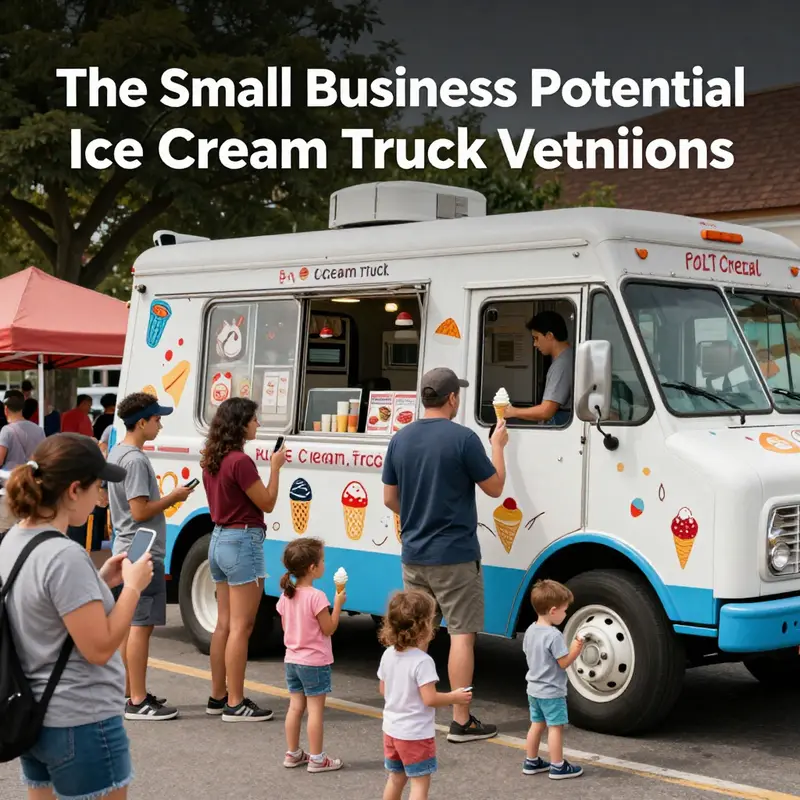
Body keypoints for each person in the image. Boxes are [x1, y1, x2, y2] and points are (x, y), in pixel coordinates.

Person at [0, 433, 154, 799]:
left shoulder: (12, 540)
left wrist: (100, 582)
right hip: (82, 720)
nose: (101, 497)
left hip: (35, 717)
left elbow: (42, 611)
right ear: (73, 491)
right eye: (97, 487)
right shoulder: (64, 555)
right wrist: (132, 587)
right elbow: (99, 648)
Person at [382, 366, 508, 744]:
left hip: (414, 552)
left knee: (415, 634)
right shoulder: (464, 439)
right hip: (454, 554)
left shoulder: (400, 439)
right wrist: (498, 447)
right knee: (461, 635)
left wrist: (415, 515)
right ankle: (460, 719)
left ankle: (408, 709)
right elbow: (495, 487)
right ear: (453, 398)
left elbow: (390, 498)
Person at [106, 392, 194, 721]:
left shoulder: (118, 452)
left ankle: (128, 692)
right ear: (141, 423)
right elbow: (140, 509)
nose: (160, 424)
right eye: (156, 419)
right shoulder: (136, 459)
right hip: (142, 550)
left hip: (125, 547)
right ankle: (138, 699)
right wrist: (174, 496)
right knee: (141, 627)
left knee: (130, 627)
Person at [200, 397, 285, 721]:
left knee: (223, 624)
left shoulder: (213, 459)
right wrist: (275, 470)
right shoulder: (240, 461)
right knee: (242, 626)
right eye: (253, 419)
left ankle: (218, 695)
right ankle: (236, 701)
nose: (257, 424)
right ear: (240, 424)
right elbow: (267, 502)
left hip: (219, 537)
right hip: (243, 539)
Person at [378, 590, 473, 800]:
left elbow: (383, 690)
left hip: (391, 730)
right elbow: (429, 699)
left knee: (396, 778)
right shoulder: (422, 662)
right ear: (424, 627)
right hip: (415, 734)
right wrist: (454, 697)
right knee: (419, 784)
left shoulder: (388, 654)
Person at [277, 537, 344, 772]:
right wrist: (337, 604)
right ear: (312, 568)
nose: (324, 563)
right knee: (315, 710)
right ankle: (317, 758)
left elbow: (287, 628)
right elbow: (329, 628)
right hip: (315, 662)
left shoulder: (286, 596)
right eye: (322, 560)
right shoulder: (317, 597)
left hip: (292, 659)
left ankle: (293, 753)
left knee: (295, 707)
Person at [522, 579, 585, 780]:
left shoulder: (531, 630)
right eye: (565, 611)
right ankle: (558, 766)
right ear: (553, 611)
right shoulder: (553, 635)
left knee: (536, 724)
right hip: (551, 691)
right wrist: (576, 648)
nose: (565, 614)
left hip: (533, 689)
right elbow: (563, 662)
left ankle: (531, 761)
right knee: (555, 728)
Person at [504, 311, 573, 426]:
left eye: (536, 338)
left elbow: (546, 411)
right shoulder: (569, 356)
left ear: (550, 336)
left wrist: (513, 411)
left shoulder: (561, 365)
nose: (535, 344)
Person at [0, 390, 46, 534]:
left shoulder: (6, 431)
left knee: (5, 532)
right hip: (31, 489)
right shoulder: (39, 430)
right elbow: (43, 458)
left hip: (10, 489)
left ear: (6, 409)